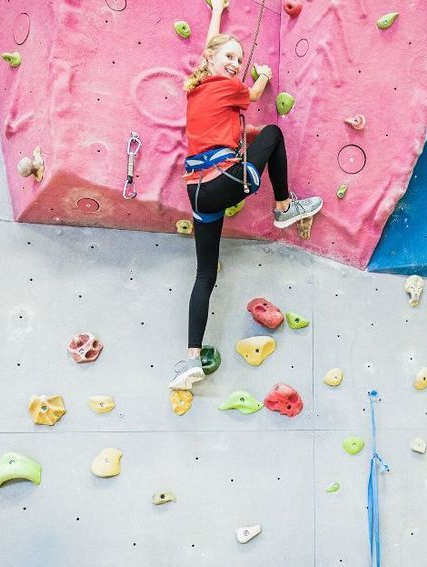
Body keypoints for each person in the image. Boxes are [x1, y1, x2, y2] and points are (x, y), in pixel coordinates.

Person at [170, 0, 323, 389]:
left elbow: (210, 49)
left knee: (205, 274)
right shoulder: (227, 85)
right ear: (212, 59)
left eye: (239, 59)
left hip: (198, 194)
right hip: (222, 181)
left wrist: (219, 12)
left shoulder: (197, 87)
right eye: (231, 57)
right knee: (272, 133)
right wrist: (264, 76)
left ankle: (188, 361)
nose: (236, 63)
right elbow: (252, 96)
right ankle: (284, 207)